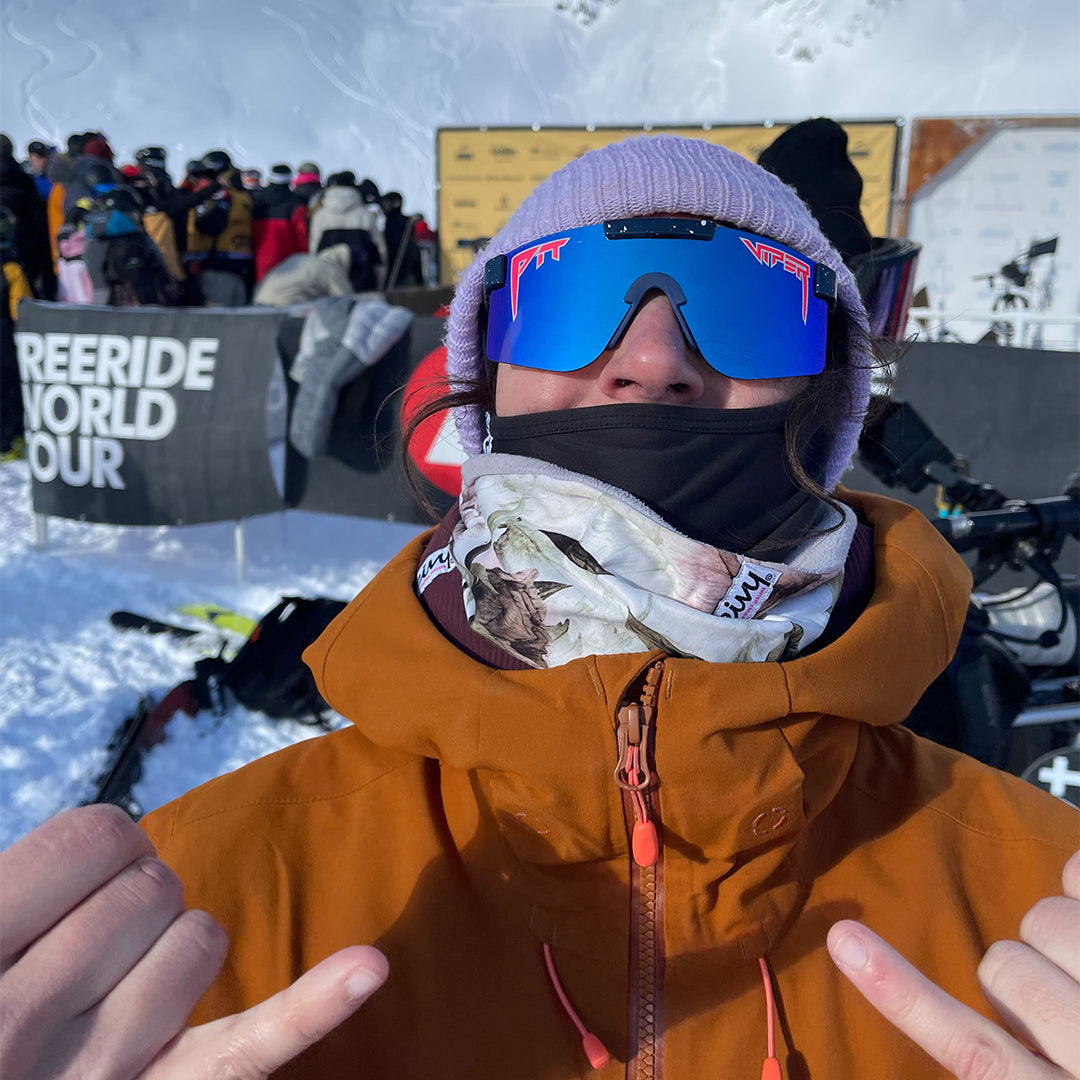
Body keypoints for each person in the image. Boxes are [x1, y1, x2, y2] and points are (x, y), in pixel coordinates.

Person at [1, 135, 1077, 1080]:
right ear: (485, 381)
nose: (653, 362)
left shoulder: (1040, 902)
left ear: (828, 400)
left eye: (749, 308)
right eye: (567, 301)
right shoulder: (198, 911)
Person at [185, 149, 254, 306]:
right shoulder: (242, 193)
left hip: (219, 263)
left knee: (216, 321)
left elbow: (210, 225)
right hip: (240, 261)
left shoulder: (221, 193)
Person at [308, 170, 384, 291]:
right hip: (363, 281)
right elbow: (380, 252)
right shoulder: (366, 215)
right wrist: (380, 284)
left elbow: (314, 249)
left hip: (329, 281)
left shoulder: (320, 216)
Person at [251, 163, 309, 282]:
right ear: (289, 179)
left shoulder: (256, 200)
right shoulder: (296, 204)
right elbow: (302, 235)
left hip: (258, 260)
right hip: (289, 263)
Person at [381, 189, 423, 289]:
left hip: (403, 271)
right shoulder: (393, 222)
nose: (383, 208)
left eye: (386, 204)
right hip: (394, 271)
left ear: (396, 203)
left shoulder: (403, 223)